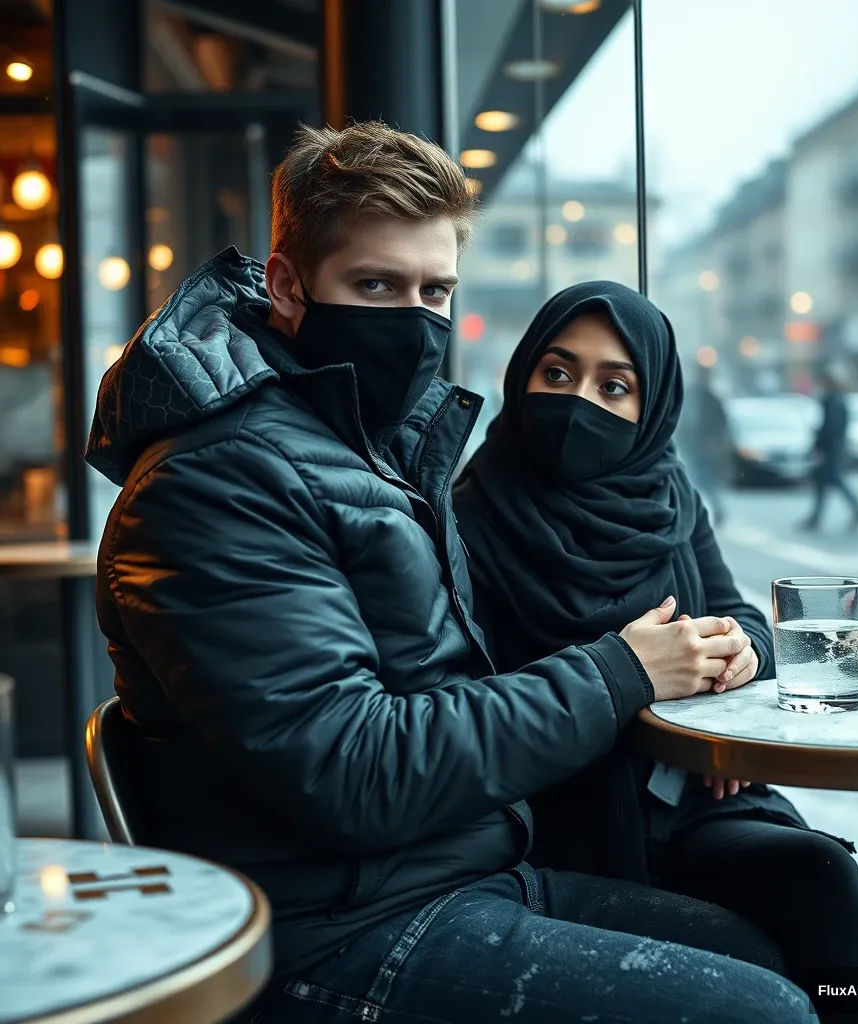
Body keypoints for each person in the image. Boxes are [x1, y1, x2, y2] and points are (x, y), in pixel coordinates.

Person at [84, 123, 812, 1024]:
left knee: (780, 940)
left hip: (457, 869)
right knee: (758, 1011)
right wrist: (620, 670)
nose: (414, 320)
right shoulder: (218, 483)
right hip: (333, 924)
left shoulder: (368, 454)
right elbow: (352, 769)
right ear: (285, 285)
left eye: (435, 291)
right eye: (377, 285)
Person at [453, 282, 858, 1024]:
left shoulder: (668, 495)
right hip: (570, 829)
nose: (579, 400)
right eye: (557, 373)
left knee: (826, 883)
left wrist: (739, 661)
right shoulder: (470, 516)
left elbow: (740, 614)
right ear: (520, 375)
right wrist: (646, 686)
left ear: (649, 410)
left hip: (697, 798)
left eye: (614, 386)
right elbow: (477, 707)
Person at [798, 362, 858, 532]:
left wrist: (819, 446)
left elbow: (830, 428)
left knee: (834, 481)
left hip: (831, 451)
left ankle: (857, 510)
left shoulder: (833, 401)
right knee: (825, 483)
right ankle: (815, 518)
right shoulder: (836, 400)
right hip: (834, 449)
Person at [678, 361, 729, 523]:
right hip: (691, 443)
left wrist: (714, 441)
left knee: (704, 479)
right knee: (693, 477)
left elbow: (720, 422)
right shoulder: (691, 393)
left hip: (704, 445)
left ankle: (716, 510)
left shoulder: (711, 397)